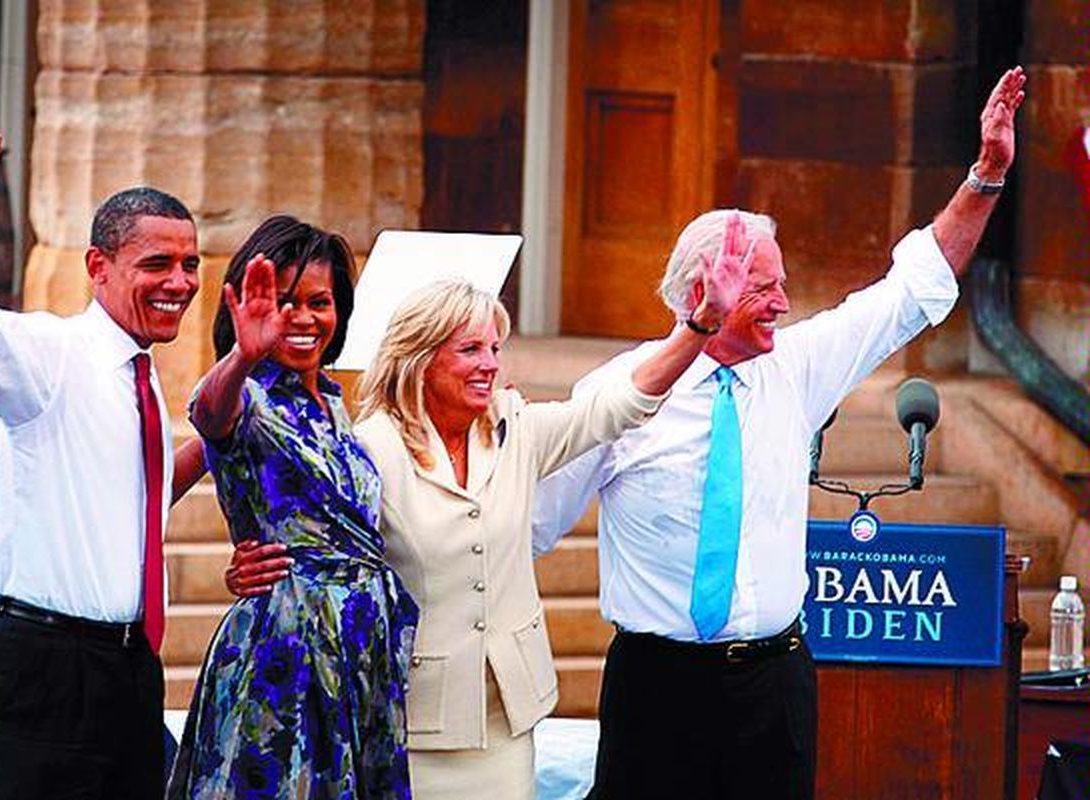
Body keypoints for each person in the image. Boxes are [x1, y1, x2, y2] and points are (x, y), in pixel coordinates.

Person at [530, 67, 1028, 799]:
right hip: (657, 690)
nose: (784, 304)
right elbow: (533, 521)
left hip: (774, 686)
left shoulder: (794, 368)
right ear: (704, 291)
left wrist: (985, 176)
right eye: (763, 289)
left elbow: (910, 291)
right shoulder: (621, 393)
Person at [343, 224, 750, 800]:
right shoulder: (370, 449)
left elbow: (617, 407)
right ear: (420, 359)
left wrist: (699, 328)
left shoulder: (514, 431)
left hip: (508, 716)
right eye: (469, 350)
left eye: (494, 348)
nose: (489, 364)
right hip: (414, 721)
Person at [0, 94, 203, 798]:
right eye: (157, 263)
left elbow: (134, 498)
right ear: (98, 267)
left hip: (131, 668)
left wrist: (224, 428)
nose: (180, 282)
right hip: (41, 670)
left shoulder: (140, 374)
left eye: (190, 264)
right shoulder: (51, 355)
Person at [166, 216, 419, 799]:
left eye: (319, 302)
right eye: (283, 302)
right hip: (285, 647)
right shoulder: (247, 396)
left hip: (359, 651)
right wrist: (242, 358)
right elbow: (209, 415)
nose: (303, 319)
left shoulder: (334, 403)